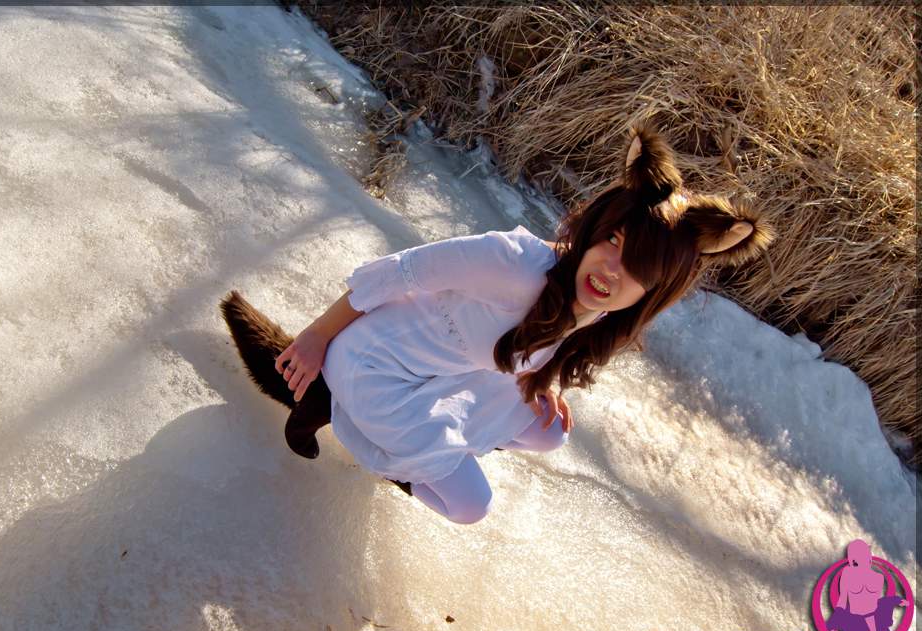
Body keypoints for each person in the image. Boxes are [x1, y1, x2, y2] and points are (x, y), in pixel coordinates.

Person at [224, 119, 774, 524]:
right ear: (595, 228)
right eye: (613, 240)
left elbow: (527, 342)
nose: (612, 269)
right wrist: (318, 335)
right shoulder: (514, 263)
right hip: (377, 367)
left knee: (550, 431)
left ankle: (412, 444)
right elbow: (399, 270)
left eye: (636, 269)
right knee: (470, 505)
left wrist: (544, 381)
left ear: (653, 292)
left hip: (444, 372)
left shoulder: (600, 308)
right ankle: (346, 414)